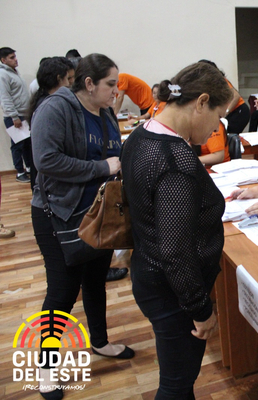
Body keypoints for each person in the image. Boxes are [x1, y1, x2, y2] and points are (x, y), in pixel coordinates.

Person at [121, 61, 231, 399]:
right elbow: (175, 251)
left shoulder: (142, 135)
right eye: (217, 116)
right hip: (173, 292)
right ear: (200, 102)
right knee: (176, 383)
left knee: (178, 380)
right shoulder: (175, 160)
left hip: (150, 275)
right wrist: (201, 310)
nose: (216, 127)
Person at [31, 53, 134, 399]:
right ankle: (45, 368)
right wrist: (102, 169)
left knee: (95, 281)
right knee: (62, 293)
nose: (116, 91)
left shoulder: (104, 113)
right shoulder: (55, 108)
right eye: (110, 84)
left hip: (97, 213)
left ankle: (100, 342)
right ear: (89, 84)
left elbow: (113, 155)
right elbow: (46, 160)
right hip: (57, 214)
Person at [27, 57, 74, 191]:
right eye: (68, 78)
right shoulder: (49, 106)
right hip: (48, 183)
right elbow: (48, 159)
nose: (70, 83)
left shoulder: (47, 100)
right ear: (59, 79)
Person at [0, 47, 32, 183]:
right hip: (15, 117)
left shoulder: (14, 73)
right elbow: (5, 97)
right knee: (17, 145)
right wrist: (14, 117)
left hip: (23, 115)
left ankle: (29, 168)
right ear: (3, 60)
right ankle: (20, 172)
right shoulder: (3, 74)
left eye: (15, 56)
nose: (15, 59)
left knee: (26, 144)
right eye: (11, 57)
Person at [199, 59, 250, 134]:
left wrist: (226, 112)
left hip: (239, 111)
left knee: (228, 135)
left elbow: (236, 96)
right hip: (230, 112)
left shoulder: (221, 81)